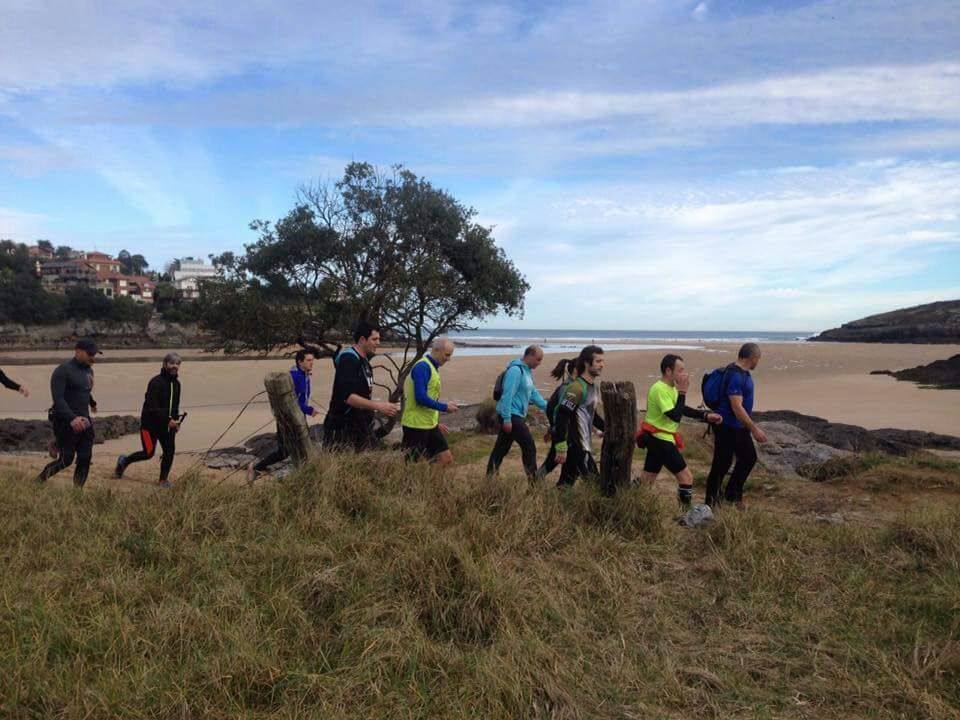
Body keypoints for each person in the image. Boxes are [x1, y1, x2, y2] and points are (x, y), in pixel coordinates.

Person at [637, 354, 721, 508]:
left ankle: (625, 497)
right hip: (659, 439)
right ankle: (684, 514)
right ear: (669, 371)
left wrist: (705, 415)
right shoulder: (659, 389)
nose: (685, 374)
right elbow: (675, 416)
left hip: (659, 438)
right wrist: (683, 392)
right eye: (681, 370)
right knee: (686, 477)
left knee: (647, 479)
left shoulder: (671, 388)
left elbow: (682, 409)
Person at [704, 342, 768, 508]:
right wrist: (754, 429)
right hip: (727, 426)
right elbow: (736, 406)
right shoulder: (736, 376)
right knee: (722, 464)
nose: (758, 362)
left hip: (738, 427)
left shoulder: (742, 373)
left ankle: (732, 495)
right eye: (758, 359)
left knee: (748, 458)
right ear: (752, 357)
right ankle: (712, 503)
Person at [323, 320, 399, 451]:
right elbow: (348, 397)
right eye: (374, 339)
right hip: (343, 429)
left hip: (360, 426)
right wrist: (379, 406)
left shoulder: (363, 360)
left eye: (379, 339)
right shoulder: (349, 359)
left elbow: (362, 393)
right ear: (363, 339)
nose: (378, 343)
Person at [35, 339, 101, 488]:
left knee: (85, 457)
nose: (93, 357)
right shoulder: (62, 371)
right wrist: (72, 418)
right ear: (78, 351)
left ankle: (77, 493)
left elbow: (85, 391)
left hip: (85, 420)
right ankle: (37, 482)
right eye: (90, 354)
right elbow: (58, 399)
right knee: (66, 459)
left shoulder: (89, 370)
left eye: (94, 354)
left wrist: (92, 403)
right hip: (65, 421)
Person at [247, 349, 318, 481]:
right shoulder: (293, 377)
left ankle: (302, 476)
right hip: (287, 419)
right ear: (300, 362)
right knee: (284, 451)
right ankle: (256, 467)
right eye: (308, 360)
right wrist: (309, 410)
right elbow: (292, 401)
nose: (311, 363)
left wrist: (306, 410)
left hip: (299, 418)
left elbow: (303, 397)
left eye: (312, 360)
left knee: (303, 448)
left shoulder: (305, 375)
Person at [114, 353, 183, 487]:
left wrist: (176, 421)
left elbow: (175, 405)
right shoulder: (155, 382)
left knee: (169, 452)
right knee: (148, 453)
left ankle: (163, 480)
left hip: (167, 427)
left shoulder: (177, 384)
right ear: (165, 364)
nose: (175, 366)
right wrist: (167, 420)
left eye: (177, 364)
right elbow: (152, 406)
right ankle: (124, 461)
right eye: (172, 363)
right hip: (149, 426)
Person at [486, 345, 548, 480]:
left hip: (516, 415)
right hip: (511, 416)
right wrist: (507, 418)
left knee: (501, 449)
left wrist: (549, 407)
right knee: (529, 447)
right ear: (529, 356)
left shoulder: (527, 373)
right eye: (538, 359)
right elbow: (507, 395)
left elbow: (533, 394)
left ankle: (489, 478)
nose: (539, 363)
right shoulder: (515, 371)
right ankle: (534, 484)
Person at [553, 345, 606, 489]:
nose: (602, 365)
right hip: (577, 445)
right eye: (598, 361)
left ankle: (549, 509)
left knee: (565, 485)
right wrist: (561, 445)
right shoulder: (577, 388)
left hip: (583, 444)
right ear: (587, 363)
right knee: (595, 485)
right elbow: (562, 415)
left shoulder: (593, 387)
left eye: (602, 361)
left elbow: (591, 415)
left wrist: (608, 428)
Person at [400, 338, 459, 465]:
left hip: (429, 424)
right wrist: (444, 407)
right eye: (447, 355)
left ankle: (429, 483)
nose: (448, 359)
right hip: (415, 425)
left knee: (446, 459)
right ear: (436, 350)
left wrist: (435, 423)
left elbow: (430, 397)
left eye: (450, 355)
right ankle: (418, 483)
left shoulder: (432, 367)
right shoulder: (422, 367)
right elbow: (420, 397)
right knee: (411, 467)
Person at [536, 357, 576, 480]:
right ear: (576, 370)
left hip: (564, 433)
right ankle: (534, 483)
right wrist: (555, 431)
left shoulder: (570, 387)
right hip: (563, 434)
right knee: (553, 462)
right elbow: (557, 413)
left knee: (569, 464)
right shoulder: (568, 388)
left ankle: (562, 489)